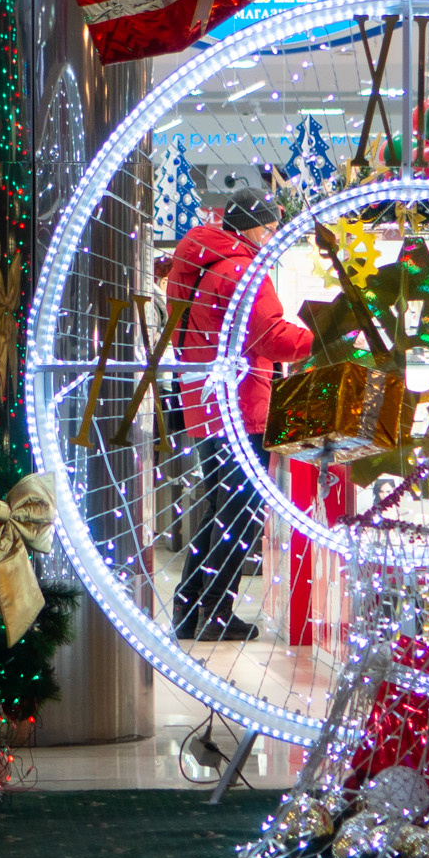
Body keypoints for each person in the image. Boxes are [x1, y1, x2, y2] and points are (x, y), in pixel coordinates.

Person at [161, 190, 315, 640]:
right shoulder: (244, 270)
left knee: (217, 507)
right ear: (251, 228)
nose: (272, 238)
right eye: (269, 228)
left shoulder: (199, 264)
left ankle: (188, 613)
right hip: (240, 407)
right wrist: (322, 338)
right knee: (240, 515)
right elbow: (272, 338)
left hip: (205, 405)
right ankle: (216, 614)